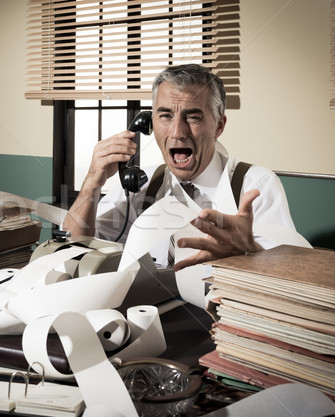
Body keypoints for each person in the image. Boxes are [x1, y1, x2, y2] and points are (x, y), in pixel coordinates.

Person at [62, 64, 297, 270]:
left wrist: (249, 251)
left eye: (193, 117)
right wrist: (92, 182)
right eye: (165, 116)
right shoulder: (143, 185)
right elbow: (74, 249)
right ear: (150, 122)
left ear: (219, 126)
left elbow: (288, 274)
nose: (177, 133)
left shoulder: (257, 185)